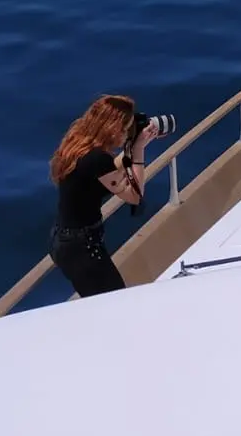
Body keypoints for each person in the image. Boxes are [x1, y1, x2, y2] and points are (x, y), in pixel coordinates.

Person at [47, 94, 161, 297]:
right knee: (114, 300)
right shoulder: (97, 158)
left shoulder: (78, 144)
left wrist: (134, 145)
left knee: (97, 299)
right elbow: (134, 196)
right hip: (82, 247)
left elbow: (106, 172)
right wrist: (138, 150)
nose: (126, 134)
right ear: (112, 128)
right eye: (125, 129)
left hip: (63, 239)